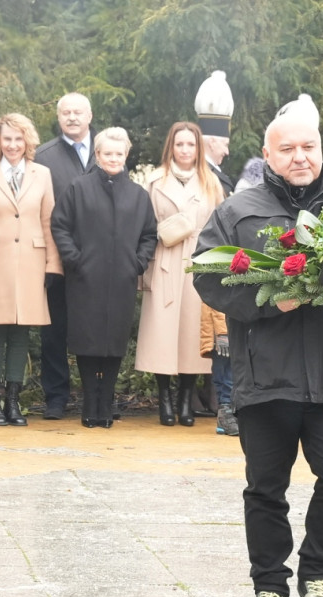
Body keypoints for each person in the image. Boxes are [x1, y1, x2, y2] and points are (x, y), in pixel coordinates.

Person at [193, 109, 323, 597]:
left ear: (321, 147)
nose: (299, 157)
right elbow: (207, 277)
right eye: (287, 149)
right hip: (266, 376)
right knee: (265, 487)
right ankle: (270, 587)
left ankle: (318, 574)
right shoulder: (239, 210)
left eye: (308, 146)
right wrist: (267, 302)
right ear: (268, 153)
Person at [51, 127, 157, 428]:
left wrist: (136, 263)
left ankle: (106, 401)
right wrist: (74, 258)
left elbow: (150, 234)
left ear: (126, 155)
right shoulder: (78, 188)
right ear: (97, 155)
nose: (113, 158)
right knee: (87, 342)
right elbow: (60, 225)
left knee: (114, 343)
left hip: (122, 279)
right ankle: (89, 402)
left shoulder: (138, 195)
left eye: (118, 153)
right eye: (107, 153)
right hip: (85, 278)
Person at [0, 113, 62, 427]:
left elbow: (48, 221)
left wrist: (52, 264)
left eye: (19, 139)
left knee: (20, 334)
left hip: (31, 262)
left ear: (28, 141)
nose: (13, 145)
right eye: (7, 139)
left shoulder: (42, 174)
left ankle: (14, 403)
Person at [134, 122, 221, 427]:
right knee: (161, 333)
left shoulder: (211, 182)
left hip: (197, 261)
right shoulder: (155, 181)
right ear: (170, 147)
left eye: (191, 145)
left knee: (190, 335)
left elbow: (219, 227)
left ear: (199, 148)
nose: (185, 150)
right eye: (179, 144)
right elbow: (144, 226)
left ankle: (186, 400)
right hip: (165, 259)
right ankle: (164, 400)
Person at [34, 92, 95, 420]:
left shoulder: (107, 150)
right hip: (57, 257)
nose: (72, 117)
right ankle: (56, 397)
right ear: (58, 118)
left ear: (90, 115)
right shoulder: (44, 157)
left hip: (100, 261)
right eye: (66, 112)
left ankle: (96, 396)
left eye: (78, 112)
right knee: (54, 331)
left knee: (97, 330)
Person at [195, 71, 237, 197]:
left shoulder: (206, 170)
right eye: (225, 144)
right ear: (212, 143)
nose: (227, 152)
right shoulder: (201, 173)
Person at [199, 303, 237, 436]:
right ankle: (225, 415)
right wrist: (222, 331)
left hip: (239, 323)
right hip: (220, 328)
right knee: (226, 372)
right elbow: (215, 298)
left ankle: (233, 414)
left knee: (235, 372)